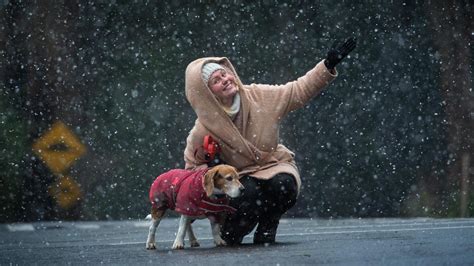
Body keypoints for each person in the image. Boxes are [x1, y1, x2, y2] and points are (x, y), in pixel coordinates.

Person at [183, 38, 356, 245]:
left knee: (284, 184)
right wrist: (213, 173)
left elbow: (297, 91)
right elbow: (193, 170)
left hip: (273, 164)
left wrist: (327, 65)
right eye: (216, 81)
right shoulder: (202, 129)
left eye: (224, 73)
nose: (225, 79)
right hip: (240, 178)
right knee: (234, 228)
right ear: (208, 94)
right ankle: (233, 226)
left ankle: (268, 225)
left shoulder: (260, 96)